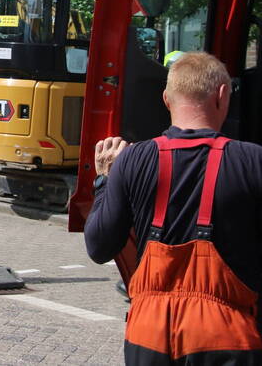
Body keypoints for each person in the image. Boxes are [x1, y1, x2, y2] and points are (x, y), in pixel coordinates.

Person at [85, 52, 262, 364]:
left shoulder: (131, 160)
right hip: (225, 335)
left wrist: (104, 182)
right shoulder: (252, 161)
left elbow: (99, 247)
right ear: (223, 95)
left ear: (167, 99)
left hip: (148, 335)